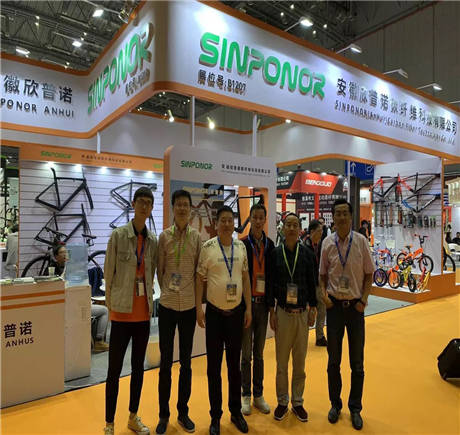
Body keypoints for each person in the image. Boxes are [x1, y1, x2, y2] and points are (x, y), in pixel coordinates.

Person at [103, 187, 158, 435]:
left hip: (143, 315)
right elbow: (108, 272)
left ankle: (133, 416)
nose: (144, 207)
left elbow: (152, 272)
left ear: (151, 208)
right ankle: (109, 423)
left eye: (148, 203)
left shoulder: (152, 241)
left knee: (138, 369)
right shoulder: (118, 236)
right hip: (121, 314)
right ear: (133, 204)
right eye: (141, 202)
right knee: (114, 370)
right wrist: (110, 305)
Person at [195, 205, 252, 435]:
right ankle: (215, 416)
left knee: (234, 367)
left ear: (234, 223)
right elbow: (199, 279)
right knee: (213, 368)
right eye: (223, 220)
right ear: (216, 224)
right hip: (215, 315)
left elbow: (245, 279)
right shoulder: (208, 248)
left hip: (236, 314)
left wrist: (248, 308)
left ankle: (235, 412)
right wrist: (198, 308)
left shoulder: (241, 247)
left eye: (230, 220)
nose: (227, 224)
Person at [319, 199, 374, 431]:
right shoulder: (327, 243)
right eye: (338, 213)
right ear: (333, 217)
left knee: (357, 363)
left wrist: (363, 300)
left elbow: (369, 274)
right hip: (334, 309)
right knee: (333, 361)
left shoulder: (361, 242)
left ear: (351, 217)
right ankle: (335, 404)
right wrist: (325, 298)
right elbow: (322, 275)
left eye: (345, 213)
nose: (341, 217)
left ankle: (355, 408)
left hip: (355, 309)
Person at [156, 190, 202, 434]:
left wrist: (197, 305)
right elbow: (160, 270)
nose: (182, 208)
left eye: (186, 205)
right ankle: (163, 415)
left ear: (190, 209)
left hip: (188, 309)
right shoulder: (164, 237)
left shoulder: (197, 238)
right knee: (165, 363)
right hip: (167, 306)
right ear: (173, 208)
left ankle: (183, 412)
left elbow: (198, 273)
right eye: (179, 205)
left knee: (186, 362)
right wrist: (168, 291)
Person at [267, 213, 317, 423]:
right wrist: (271, 311)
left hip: (302, 314)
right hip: (283, 313)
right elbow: (270, 285)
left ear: (299, 229)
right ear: (283, 228)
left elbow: (312, 282)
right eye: (288, 225)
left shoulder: (307, 254)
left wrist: (314, 308)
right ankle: (282, 401)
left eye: (295, 225)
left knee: (300, 361)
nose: (291, 228)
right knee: (281, 362)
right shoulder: (275, 254)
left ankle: (297, 401)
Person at [240, 203, 275, 416]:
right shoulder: (242, 244)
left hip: (263, 306)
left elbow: (272, 279)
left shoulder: (270, 246)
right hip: (247, 306)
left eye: (262, 217)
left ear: (265, 220)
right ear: (250, 219)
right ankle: (245, 395)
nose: (258, 221)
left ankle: (258, 395)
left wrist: (272, 308)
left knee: (259, 354)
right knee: (246, 354)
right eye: (255, 217)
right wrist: (243, 307)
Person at [304, 219, 327, 346]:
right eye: (319, 231)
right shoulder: (304, 246)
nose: (321, 233)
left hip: (318, 282)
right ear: (312, 231)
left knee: (322, 308)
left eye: (322, 230)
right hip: (307, 284)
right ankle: (303, 336)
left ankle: (320, 336)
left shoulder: (320, 245)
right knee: (308, 311)